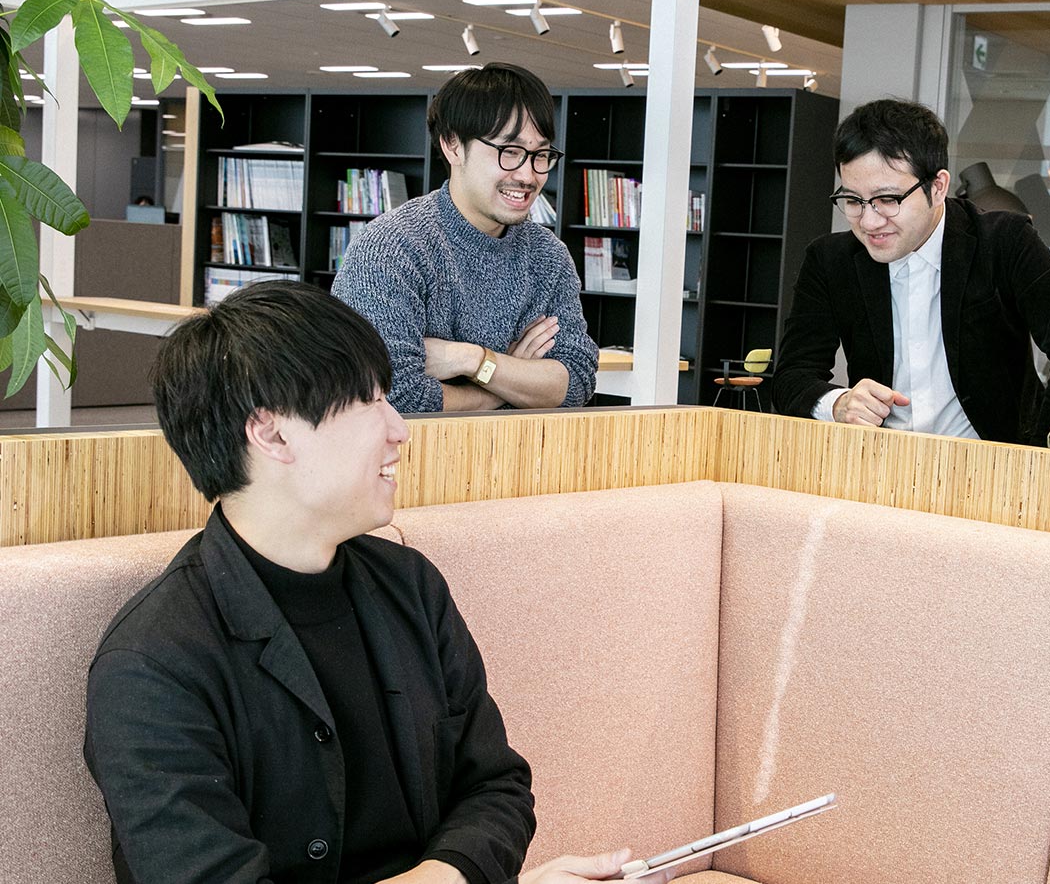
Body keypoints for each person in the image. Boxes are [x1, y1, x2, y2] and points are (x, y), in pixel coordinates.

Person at [84, 282, 666, 884]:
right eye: (370, 400)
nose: (399, 428)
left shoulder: (409, 585)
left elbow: (495, 785)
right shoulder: (153, 664)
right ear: (272, 434)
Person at [772, 98, 1050, 445]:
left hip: (997, 462)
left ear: (937, 187)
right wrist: (838, 403)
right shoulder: (830, 260)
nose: (869, 221)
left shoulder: (1004, 241)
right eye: (853, 201)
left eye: (888, 199)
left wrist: (1044, 446)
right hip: (878, 463)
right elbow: (791, 377)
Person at [333, 63, 597, 415]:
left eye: (540, 155)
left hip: (524, 451)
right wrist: (502, 390)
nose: (528, 175)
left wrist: (473, 360)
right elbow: (394, 396)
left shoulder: (548, 256)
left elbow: (576, 381)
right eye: (510, 152)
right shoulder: (391, 248)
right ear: (453, 145)